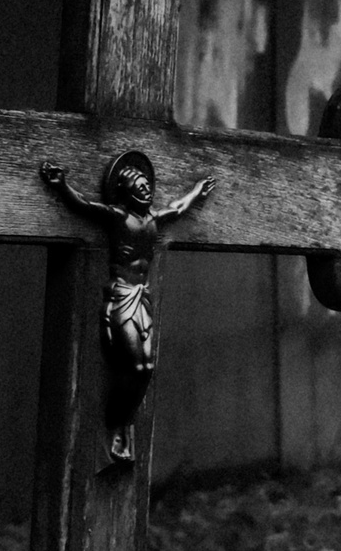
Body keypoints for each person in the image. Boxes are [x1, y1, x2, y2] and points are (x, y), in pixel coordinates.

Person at [39, 151, 215, 464]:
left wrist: (197, 192)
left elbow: (177, 209)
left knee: (146, 367)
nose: (147, 190)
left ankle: (122, 421)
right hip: (121, 297)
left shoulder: (152, 220)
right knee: (132, 365)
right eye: (139, 186)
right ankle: (114, 425)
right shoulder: (119, 218)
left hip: (142, 296)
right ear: (127, 193)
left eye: (148, 185)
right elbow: (86, 207)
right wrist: (62, 186)